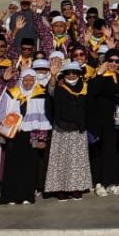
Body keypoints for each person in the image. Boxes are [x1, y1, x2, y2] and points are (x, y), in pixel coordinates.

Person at [0, 69, 50, 205]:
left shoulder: (40, 94)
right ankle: (10, 196)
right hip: (14, 134)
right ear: (21, 80)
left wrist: (42, 138)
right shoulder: (12, 93)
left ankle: (26, 195)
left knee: (29, 165)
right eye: (26, 79)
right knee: (12, 164)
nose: (28, 82)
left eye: (31, 79)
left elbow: (43, 116)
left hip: (31, 134)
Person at [44, 60, 92, 200]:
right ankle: (60, 189)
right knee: (60, 160)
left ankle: (76, 188)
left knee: (77, 161)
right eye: (68, 72)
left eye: (74, 72)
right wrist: (53, 76)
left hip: (78, 128)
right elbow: (51, 91)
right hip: (61, 128)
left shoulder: (84, 86)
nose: (71, 75)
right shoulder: (59, 86)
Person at [87, 50, 119, 196]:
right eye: (111, 60)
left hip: (117, 121)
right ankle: (99, 182)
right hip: (101, 120)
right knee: (101, 151)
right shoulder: (99, 75)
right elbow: (92, 91)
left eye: (117, 61)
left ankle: (114, 181)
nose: (114, 64)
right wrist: (99, 73)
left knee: (116, 151)